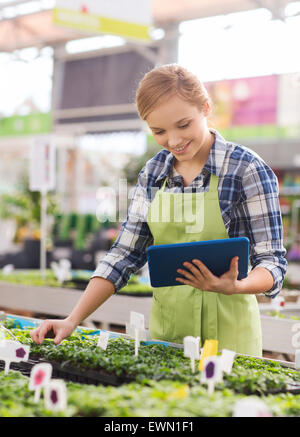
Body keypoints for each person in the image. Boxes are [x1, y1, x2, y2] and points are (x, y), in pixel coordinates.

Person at [30, 64, 287, 356]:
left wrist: (237, 285)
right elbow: (124, 255)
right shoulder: (153, 173)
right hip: (168, 338)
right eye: (159, 131)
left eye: (184, 124)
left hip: (230, 343)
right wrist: (72, 318)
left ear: (205, 108)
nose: (174, 141)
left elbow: (272, 263)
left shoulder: (246, 169)